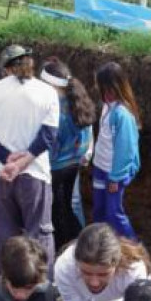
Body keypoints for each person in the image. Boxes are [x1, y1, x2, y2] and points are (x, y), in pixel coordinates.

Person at [0, 45, 59, 274]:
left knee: (3, 231)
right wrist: (24, 161)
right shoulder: (46, 92)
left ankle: (6, 283)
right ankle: (41, 283)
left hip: (0, 175)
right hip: (35, 176)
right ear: (30, 63)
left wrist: (6, 159)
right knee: (38, 232)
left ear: (6, 69)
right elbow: (49, 134)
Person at [41, 57, 96, 250]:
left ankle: (62, 246)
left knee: (56, 208)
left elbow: (49, 141)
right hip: (74, 163)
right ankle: (76, 242)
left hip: (54, 166)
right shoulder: (78, 98)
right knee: (66, 205)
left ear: (49, 84)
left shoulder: (53, 106)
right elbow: (88, 131)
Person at [91, 62, 141, 239]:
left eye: (107, 89)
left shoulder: (122, 114)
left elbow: (125, 149)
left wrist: (116, 177)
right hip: (100, 167)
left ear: (117, 87)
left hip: (113, 173)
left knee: (114, 213)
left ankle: (135, 249)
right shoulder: (107, 106)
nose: (105, 93)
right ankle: (102, 246)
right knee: (99, 209)